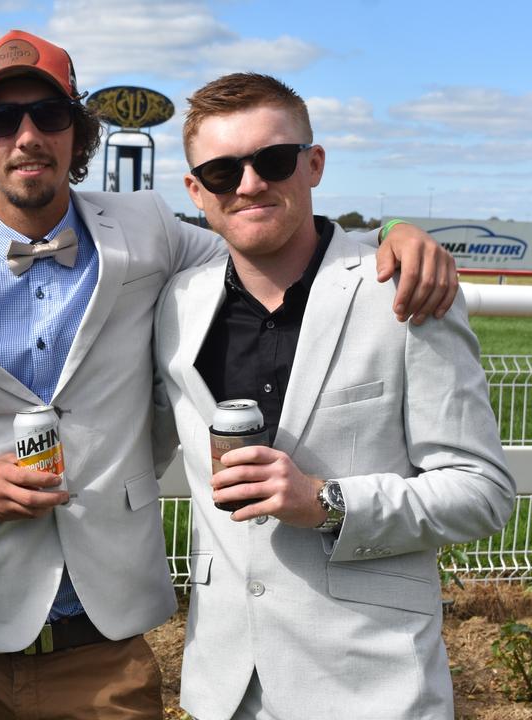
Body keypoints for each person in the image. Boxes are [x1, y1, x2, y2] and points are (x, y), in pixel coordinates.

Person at [0, 30, 458, 719]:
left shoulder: (146, 230)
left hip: (107, 641)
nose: (26, 136)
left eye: (49, 116)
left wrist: (394, 237)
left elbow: (266, 235)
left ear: (77, 136)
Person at [153, 72, 513, 720]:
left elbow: (481, 490)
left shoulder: (403, 292)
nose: (248, 183)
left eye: (272, 159)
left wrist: (324, 503)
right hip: (222, 690)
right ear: (194, 190)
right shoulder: (173, 307)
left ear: (312, 164)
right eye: (220, 171)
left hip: (373, 691)